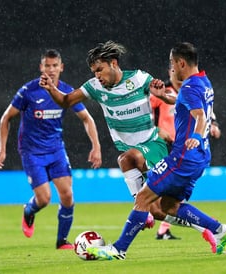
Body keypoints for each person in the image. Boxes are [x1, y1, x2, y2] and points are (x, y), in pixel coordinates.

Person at [39, 41, 216, 250]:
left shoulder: (139, 79)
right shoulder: (95, 87)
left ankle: (123, 241)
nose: (97, 75)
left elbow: (172, 100)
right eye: (94, 71)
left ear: (113, 63)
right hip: (130, 150)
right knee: (160, 210)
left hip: (152, 144)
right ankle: (207, 228)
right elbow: (66, 101)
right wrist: (51, 88)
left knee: (126, 160)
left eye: (100, 70)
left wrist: (161, 95)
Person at [86, 42, 226, 260]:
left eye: (172, 63)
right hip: (200, 158)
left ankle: (118, 249)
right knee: (169, 205)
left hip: (182, 157)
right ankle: (219, 229)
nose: (172, 68)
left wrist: (195, 136)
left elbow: (200, 116)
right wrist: (163, 96)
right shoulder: (203, 83)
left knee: (143, 199)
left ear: (181, 62)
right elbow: (184, 102)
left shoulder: (189, 87)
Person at [0, 49, 102, 250]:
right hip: (32, 152)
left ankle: (61, 241)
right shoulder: (28, 91)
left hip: (56, 151)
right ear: (41, 67)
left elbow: (87, 118)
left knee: (68, 195)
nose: (51, 70)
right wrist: (2, 149)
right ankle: (29, 210)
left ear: (61, 67)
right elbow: (6, 118)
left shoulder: (66, 92)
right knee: (44, 199)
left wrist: (96, 147)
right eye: (47, 66)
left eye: (55, 66)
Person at [151, 67, 222, 240]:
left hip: (184, 152)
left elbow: (207, 116)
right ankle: (210, 226)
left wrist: (212, 128)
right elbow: (146, 115)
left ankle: (209, 227)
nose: (173, 73)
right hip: (163, 146)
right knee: (157, 199)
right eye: (170, 69)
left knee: (156, 199)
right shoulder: (164, 93)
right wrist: (155, 130)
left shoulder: (193, 91)